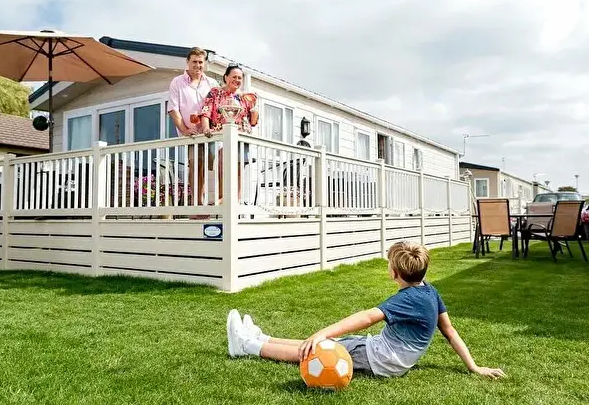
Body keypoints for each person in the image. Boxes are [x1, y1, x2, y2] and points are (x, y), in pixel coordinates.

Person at [225, 241, 506, 380]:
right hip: (386, 354)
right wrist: (473, 366)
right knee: (321, 343)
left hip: (381, 358)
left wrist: (322, 332)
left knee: (314, 350)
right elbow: (450, 331)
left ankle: (247, 346)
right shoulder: (429, 291)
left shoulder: (408, 299)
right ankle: (262, 338)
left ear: (394, 273)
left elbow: (367, 317)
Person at [167, 47, 219, 214]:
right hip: (192, 135)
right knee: (195, 165)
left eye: (201, 62)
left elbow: (218, 107)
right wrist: (184, 130)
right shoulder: (177, 82)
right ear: (187, 62)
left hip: (210, 133)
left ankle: (217, 203)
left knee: (213, 166)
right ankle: (197, 205)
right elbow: (173, 109)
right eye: (194, 62)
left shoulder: (212, 83)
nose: (198, 65)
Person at [199, 64, 258, 204]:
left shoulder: (244, 97)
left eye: (240, 78)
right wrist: (206, 129)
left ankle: (235, 199)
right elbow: (206, 112)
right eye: (234, 77)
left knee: (237, 167)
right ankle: (223, 197)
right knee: (222, 160)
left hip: (240, 136)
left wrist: (255, 110)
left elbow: (253, 122)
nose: (237, 80)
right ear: (226, 77)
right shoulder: (215, 93)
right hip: (219, 134)